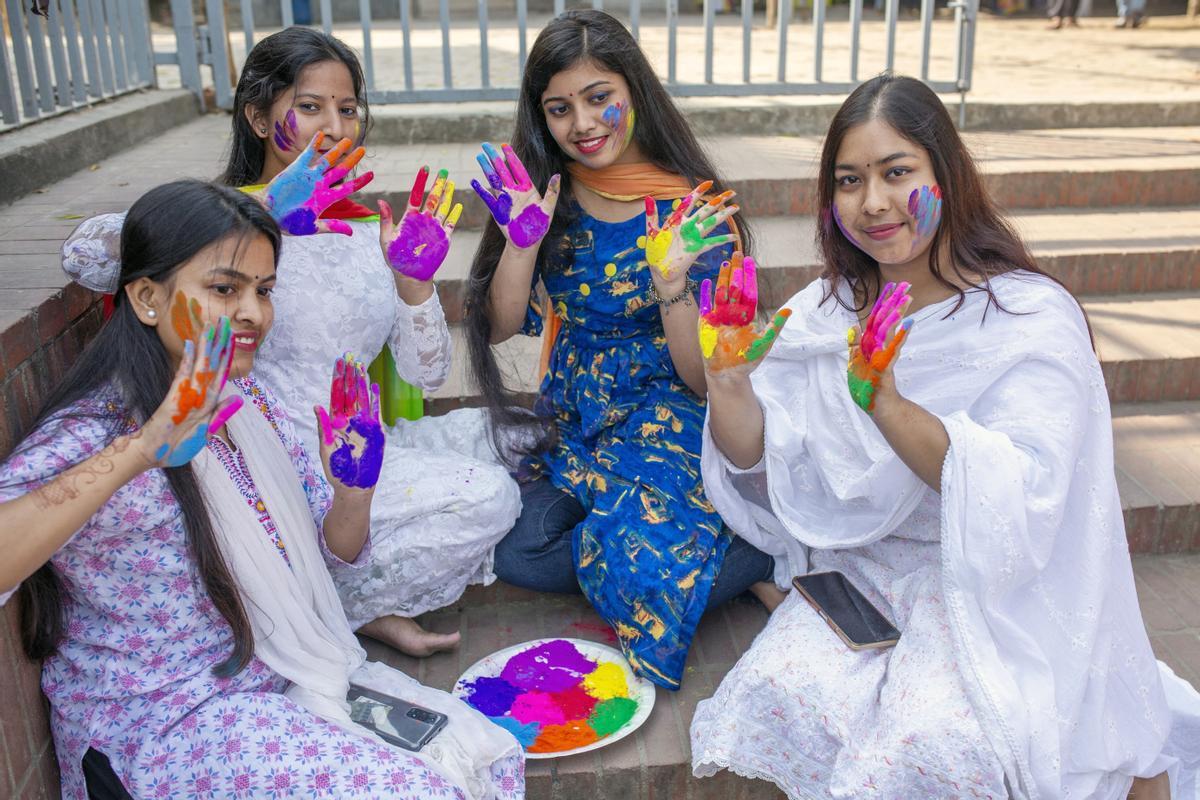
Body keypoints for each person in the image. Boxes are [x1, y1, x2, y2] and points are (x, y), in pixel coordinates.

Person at [689, 73, 1200, 799]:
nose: (873, 203)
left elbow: (1029, 500)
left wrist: (890, 405)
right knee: (772, 695)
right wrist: (731, 382)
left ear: (946, 176)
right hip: (862, 577)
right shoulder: (823, 311)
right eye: (849, 180)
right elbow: (759, 468)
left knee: (932, 746)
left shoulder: (1027, 319)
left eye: (897, 173)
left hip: (991, 590)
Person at [1, 180, 524, 800]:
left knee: (489, 760)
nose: (253, 312)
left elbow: (330, 559)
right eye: (225, 289)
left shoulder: (249, 401)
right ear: (145, 297)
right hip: (163, 722)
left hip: (276, 674)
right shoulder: (97, 428)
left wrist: (353, 490)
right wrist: (140, 451)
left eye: (264, 290)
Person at [61, 27, 522, 657]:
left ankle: (334, 594)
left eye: (348, 109)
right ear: (257, 116)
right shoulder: (221, 216)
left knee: (520, 439)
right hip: (270, 460)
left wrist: (414, 285)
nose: (334, 126)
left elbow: (426, 379)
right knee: (490, 497)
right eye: (310, 107)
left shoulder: (363, 232)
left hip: (353, 444)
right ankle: (336, 607)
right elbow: (84, 253)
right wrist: (264, 209)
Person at [464, 9, 782, 692]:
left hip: (666, 414)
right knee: (516, 545)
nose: (583, 122)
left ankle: (735, 554)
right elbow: (499, 326)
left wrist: (671, 284)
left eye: (598, 97)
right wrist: (522, 243)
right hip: (576, 419)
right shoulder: (545, 197)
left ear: (634, 91)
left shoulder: (689, 210)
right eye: (559, 107)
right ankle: (685, 552)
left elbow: (704, 380)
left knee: (635, 560)